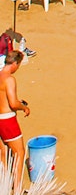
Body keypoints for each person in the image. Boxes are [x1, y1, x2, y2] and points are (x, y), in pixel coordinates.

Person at [0, 51, 29, 195]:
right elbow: (13, 102)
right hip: (7, 119)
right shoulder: (9, 79)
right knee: (19, 152)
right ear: (15, 64)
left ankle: (4, 186)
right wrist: (24, 107)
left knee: (4, 153)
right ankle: (17, 189)